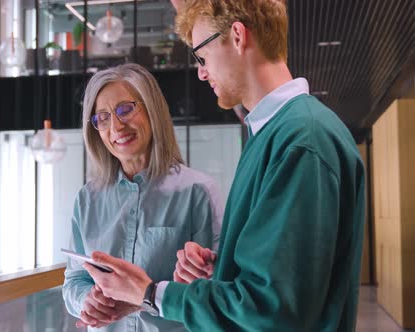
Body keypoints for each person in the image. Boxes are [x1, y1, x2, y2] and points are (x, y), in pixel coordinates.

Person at [82, 1, 366, 331]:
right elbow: (283, 282)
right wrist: (221, 273)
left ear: (237, 36)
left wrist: (149, 293)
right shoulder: (272, 135)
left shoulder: (302, 141)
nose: (201, 72)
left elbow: (273, 310)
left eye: (201, 56)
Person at [62, 63, 223, 331]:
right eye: (102, 118)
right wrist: (86, 300)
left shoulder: (198, 191)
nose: (116, 126)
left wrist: (204, 272)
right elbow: (74, 280)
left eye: (125, 109)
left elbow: (219, 285)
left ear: (152, 110)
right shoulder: (86, 200)